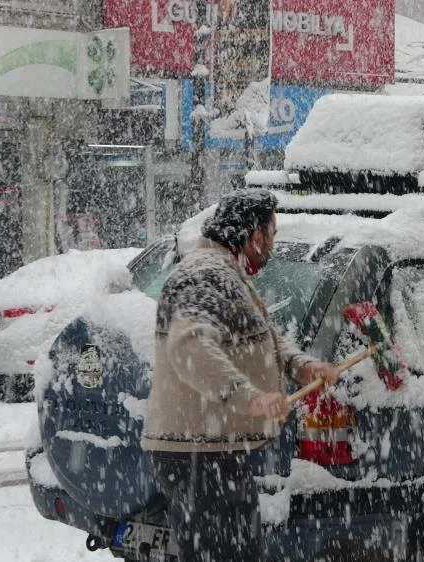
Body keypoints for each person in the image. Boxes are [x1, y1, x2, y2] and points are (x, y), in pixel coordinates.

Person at [141, 188, 339, 562]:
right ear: (255, 235)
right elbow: (189, 346)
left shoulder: (222, 272)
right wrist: (248, 396)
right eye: (272, 235)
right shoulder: (205, 276)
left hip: (208, 451)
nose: (272, 246)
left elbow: (261, 336)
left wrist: (302, 366)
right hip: (200, 454)